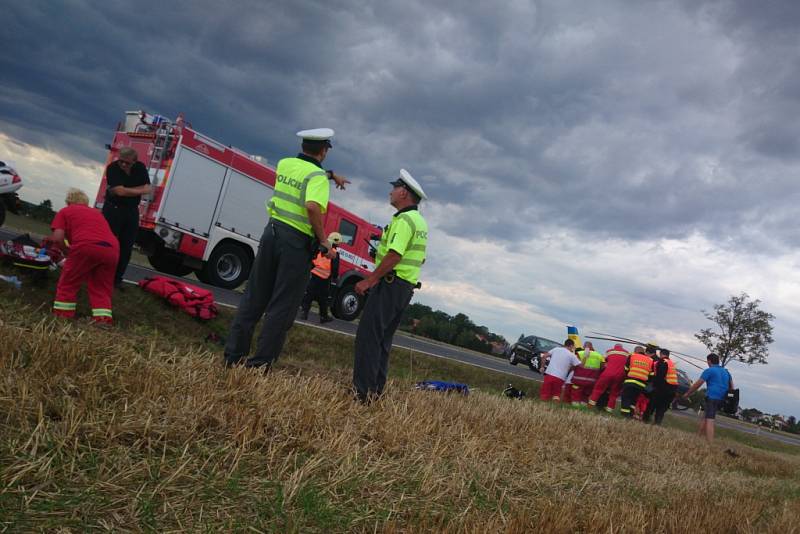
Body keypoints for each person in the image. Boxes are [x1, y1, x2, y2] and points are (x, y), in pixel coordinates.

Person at [224, 128, 350, 369]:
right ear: (324, 151)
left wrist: (332, 175)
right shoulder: (317, 178)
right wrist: (324, 240)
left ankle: (233, 356)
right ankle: (260, 363)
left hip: (272, 233)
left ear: (304, 146)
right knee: (283, 306)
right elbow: (312, 206)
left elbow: (305, 171)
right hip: (296, 244)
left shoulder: (284, 164)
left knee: (254, 297)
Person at [352, 170, 428, 403]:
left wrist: (369, 280)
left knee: (368, 337)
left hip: (390, 284)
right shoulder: (419, 221)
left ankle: (362, 392)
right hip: (403, 288)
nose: (391, 191)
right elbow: (418, 258)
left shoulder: (404, 221)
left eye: (394, 188)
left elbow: (395, 254)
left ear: (404, 192)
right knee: (383, 340)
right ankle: (375, 390)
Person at [49, 188, 120, 324]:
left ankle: (62, 317)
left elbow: (57, 238)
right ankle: (103, 321)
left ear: (68, 201)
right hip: (112, 250)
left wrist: (66, 251)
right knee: (101, 288)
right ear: (85, 202)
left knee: (69, 283)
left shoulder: (65, 211)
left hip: (86, 246)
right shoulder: (97, 213)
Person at [102, 146, 152, 289]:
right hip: (113, 208)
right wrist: (138, 190)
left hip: (131, 210)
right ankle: (100, 274)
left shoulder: (140, 168)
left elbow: (148, 189)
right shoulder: (112, 168)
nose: (123, 165)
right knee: (108, 242)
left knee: (126, 246)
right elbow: (119, 192)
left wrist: (127, 190)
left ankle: (117, 279)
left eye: (127, 163)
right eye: (121, 162)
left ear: (134, 162)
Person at [682, 353, 734, 443]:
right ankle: (697, 437)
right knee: (706, 416)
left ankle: (710, 444)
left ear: (709, 361)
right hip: (722, 399)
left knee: (710, 420)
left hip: (712, 397)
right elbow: (732, 388)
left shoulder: (709, 370)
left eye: (707, 361)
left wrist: (687, 394)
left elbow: (698, 384)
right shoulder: (727, 372)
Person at [300, 231, 342, 323]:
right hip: (325, 279)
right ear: (337, 243)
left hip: (314, 275)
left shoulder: (321, 248)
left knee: (309, 294)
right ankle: (323, 316)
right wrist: (335, 277)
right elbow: (335, 268)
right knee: (323, 299)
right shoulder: (335, 254)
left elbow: (313, 259)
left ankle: (304, 313)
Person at [588, 343, 629, 412]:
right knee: (614, 393)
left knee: (598, 389)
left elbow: (604, 362)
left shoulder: (609, 351)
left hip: (607, 374)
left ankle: (590, 406)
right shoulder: (627, 354)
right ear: (622, 347)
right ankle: (609, 410)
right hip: (620, 375)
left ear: (614, 347)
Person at [643, 348, 679, 425]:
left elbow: (659, 376)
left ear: (661, 354)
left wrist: (653, 386)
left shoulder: (662, 362)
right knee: (662, 408)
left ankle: (645, 420)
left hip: (663, 388)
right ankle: (657, 423)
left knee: (651, 405)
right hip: (672, 390)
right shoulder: (671, 363)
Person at [620, 345, 654, 418]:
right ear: (643, 352)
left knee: (626, 397)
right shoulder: (650, 360)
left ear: (636, 351)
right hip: (641, 384)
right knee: (633, 400)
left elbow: (626, 368)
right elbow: (651, 375)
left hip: (630, 380)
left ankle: (624, 415)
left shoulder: (632, 356)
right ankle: (631, 414)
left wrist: (627, 376)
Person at [569, 342, 606, 406]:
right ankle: (583, 405)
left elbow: (574, 364)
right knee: (586, 393)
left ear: (584, 347)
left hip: (579, 379)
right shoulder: (600, 355)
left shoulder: (580, 353)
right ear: (592, 346)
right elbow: (602, 367)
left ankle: (575, 404)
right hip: (592, 380)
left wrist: (570, 371)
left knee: (576, 391)